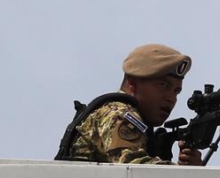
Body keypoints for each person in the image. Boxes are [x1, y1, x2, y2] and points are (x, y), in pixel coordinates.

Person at [55, 43, 202, 165]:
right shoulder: (118, 113)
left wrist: (190, 169)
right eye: (163, 85)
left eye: (176, 91)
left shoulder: (139, 123)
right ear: (132, 83)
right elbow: (134, 167)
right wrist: (186, 173)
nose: (171, 98)